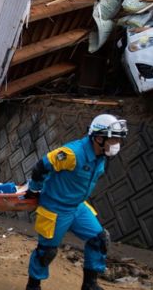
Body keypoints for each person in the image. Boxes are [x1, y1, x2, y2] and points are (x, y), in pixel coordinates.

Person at [25, 114, 128, 290]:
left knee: (100, 239)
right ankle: (33, 285)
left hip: (77, 207)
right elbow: (41, 166)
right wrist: (34, 190)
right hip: (55, 208)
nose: (116, 144)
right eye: (113, 139)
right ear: (98, 137)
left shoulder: (101, 156)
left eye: (118, 139)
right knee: (46, 251)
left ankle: (89, 284)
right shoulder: (72, 153)